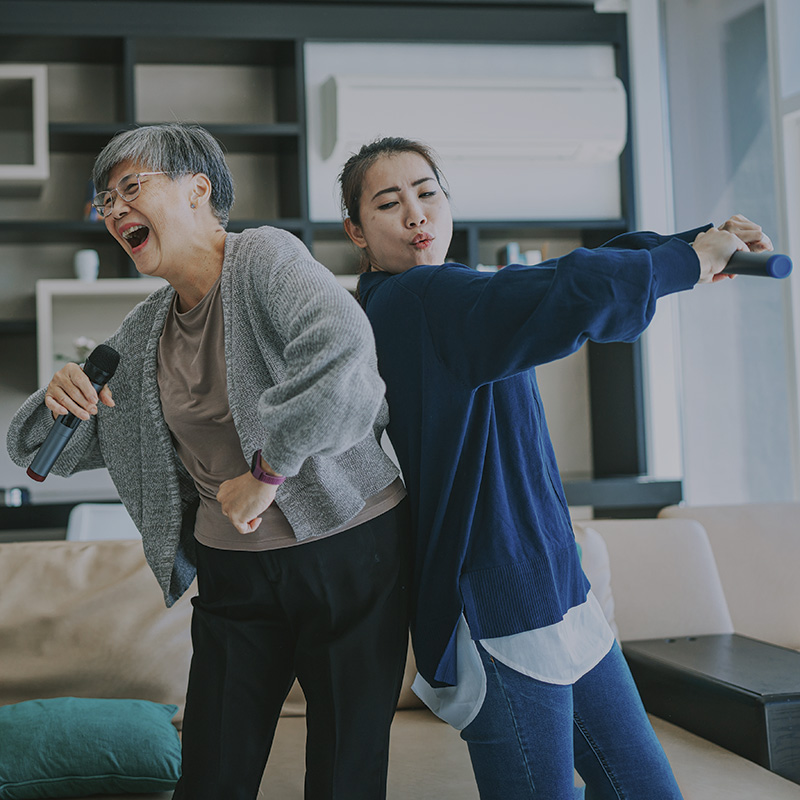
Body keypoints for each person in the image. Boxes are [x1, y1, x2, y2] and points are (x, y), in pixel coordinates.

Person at [338, 136, 773, 800]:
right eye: (388, 204)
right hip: (493, 607)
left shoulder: (456, 295)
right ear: (357, 231)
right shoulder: (413, 302)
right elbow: (564, 290)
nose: (416, 216)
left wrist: (702, 241)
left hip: (558, 588)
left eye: (428, 194)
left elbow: (566, 275)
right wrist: (687, 257)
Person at [7, 123, 411, 800]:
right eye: (106, 202)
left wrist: (268, 472)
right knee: (212, 775)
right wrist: (56, 402)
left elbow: (344, 357)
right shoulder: (143, 331)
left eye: (131, 187)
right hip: (234, 576)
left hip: (348, 551)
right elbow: (58, 449)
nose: (114, 212)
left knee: (344, 773)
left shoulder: (264, 261)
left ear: (198, 190)